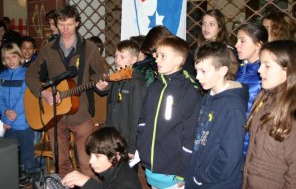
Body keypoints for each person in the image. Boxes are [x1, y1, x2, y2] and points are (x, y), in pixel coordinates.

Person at [26, 4, 106, 178]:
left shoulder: (89, 48)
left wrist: (103, 85)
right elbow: (31, 74)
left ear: (77, 23)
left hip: (82, 113)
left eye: (69, 24)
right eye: (61, 24)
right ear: (55, 24)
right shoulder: (49, 48)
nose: (65, 29)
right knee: (61, 163)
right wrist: (43, 92)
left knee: (87, 164)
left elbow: (100, 74)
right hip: (54, 114)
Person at [137, 36, 202, 189]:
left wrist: (183, 171)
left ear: (179, 59)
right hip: (152, 170)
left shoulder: (188, 91)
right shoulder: (154, 86)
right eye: (157, 56)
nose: (157, 60)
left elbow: (191, 134)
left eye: (163, 56)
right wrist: (143, 148)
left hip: (174, 174)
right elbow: (143, 120)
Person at [186, 42, 248, 189]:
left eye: (203, 71)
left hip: (216, 183)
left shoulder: (233, 107)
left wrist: (202, 176)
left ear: (222, 70)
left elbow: (229, 156)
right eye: (196, 71)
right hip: (198, 178)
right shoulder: (209, 96)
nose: (197, 77)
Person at [242, 40, 296, 189]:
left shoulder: (291, 112)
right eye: (260, 64)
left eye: (267, 65)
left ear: (288, 70)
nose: (259, 70)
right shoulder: (265, 100)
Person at [96, 39, 146, 158]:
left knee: (126, 175)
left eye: (122, 57)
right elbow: (106, 95)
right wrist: (101, 88)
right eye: (116, 56)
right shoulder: (117, 77)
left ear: (134, 60)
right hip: (113, 137)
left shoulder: (137, 83)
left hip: (126, 142)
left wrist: (132, 148)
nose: (117, 60)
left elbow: (137, 117)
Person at [0, 43, 36, 180]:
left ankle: (30, 175)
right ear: (3, 60)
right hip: (8, 123)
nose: (11, 60)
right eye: (7, 58)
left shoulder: (27, 73)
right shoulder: (3, 75)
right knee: (10, 153)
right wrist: (5, 111)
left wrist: (8, 118)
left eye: (14, 56)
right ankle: (13, 176)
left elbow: (25, 97)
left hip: (22, 122)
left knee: (26, 152)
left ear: (20, 57)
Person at [61, 127, 142, 189]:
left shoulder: (127, 182)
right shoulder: (114, 171)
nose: (91, 161)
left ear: (117, 156)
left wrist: (88, 183)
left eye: (97, 156)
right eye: (91, 154)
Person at [234, 23, 268, 156]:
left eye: (242, 41)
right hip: (235, 138)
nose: (237, 45)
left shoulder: (264, 76)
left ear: (258, 45)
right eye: (237, 40)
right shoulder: (239, 71)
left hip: (252, 144)